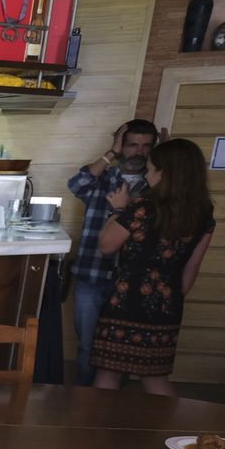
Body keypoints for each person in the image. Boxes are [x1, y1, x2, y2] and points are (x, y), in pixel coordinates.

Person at [90, 137, 214, 395]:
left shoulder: (143, 208)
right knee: (154, 378)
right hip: (167, 303)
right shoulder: (202, 212)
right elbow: (193, 264)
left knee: (108, 373)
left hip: (126, 300)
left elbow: (106, 245)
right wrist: (173, 297)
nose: (147, 172)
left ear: (165, 172)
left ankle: (96, 429)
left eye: (152, 167)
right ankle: (170, 432)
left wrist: (118, 210)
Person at [67, 119, 159, 384]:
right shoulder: (104, 176)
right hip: (91, 273)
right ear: (121, 144)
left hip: (132, 281)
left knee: (122, 350)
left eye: (146, 146)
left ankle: (111, 406)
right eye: (132, 145)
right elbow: (76, 185)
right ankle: (84, 401)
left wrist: (165, 157)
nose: (139, 152)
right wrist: (111, 153)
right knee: (87, 345)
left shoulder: (156, 182)